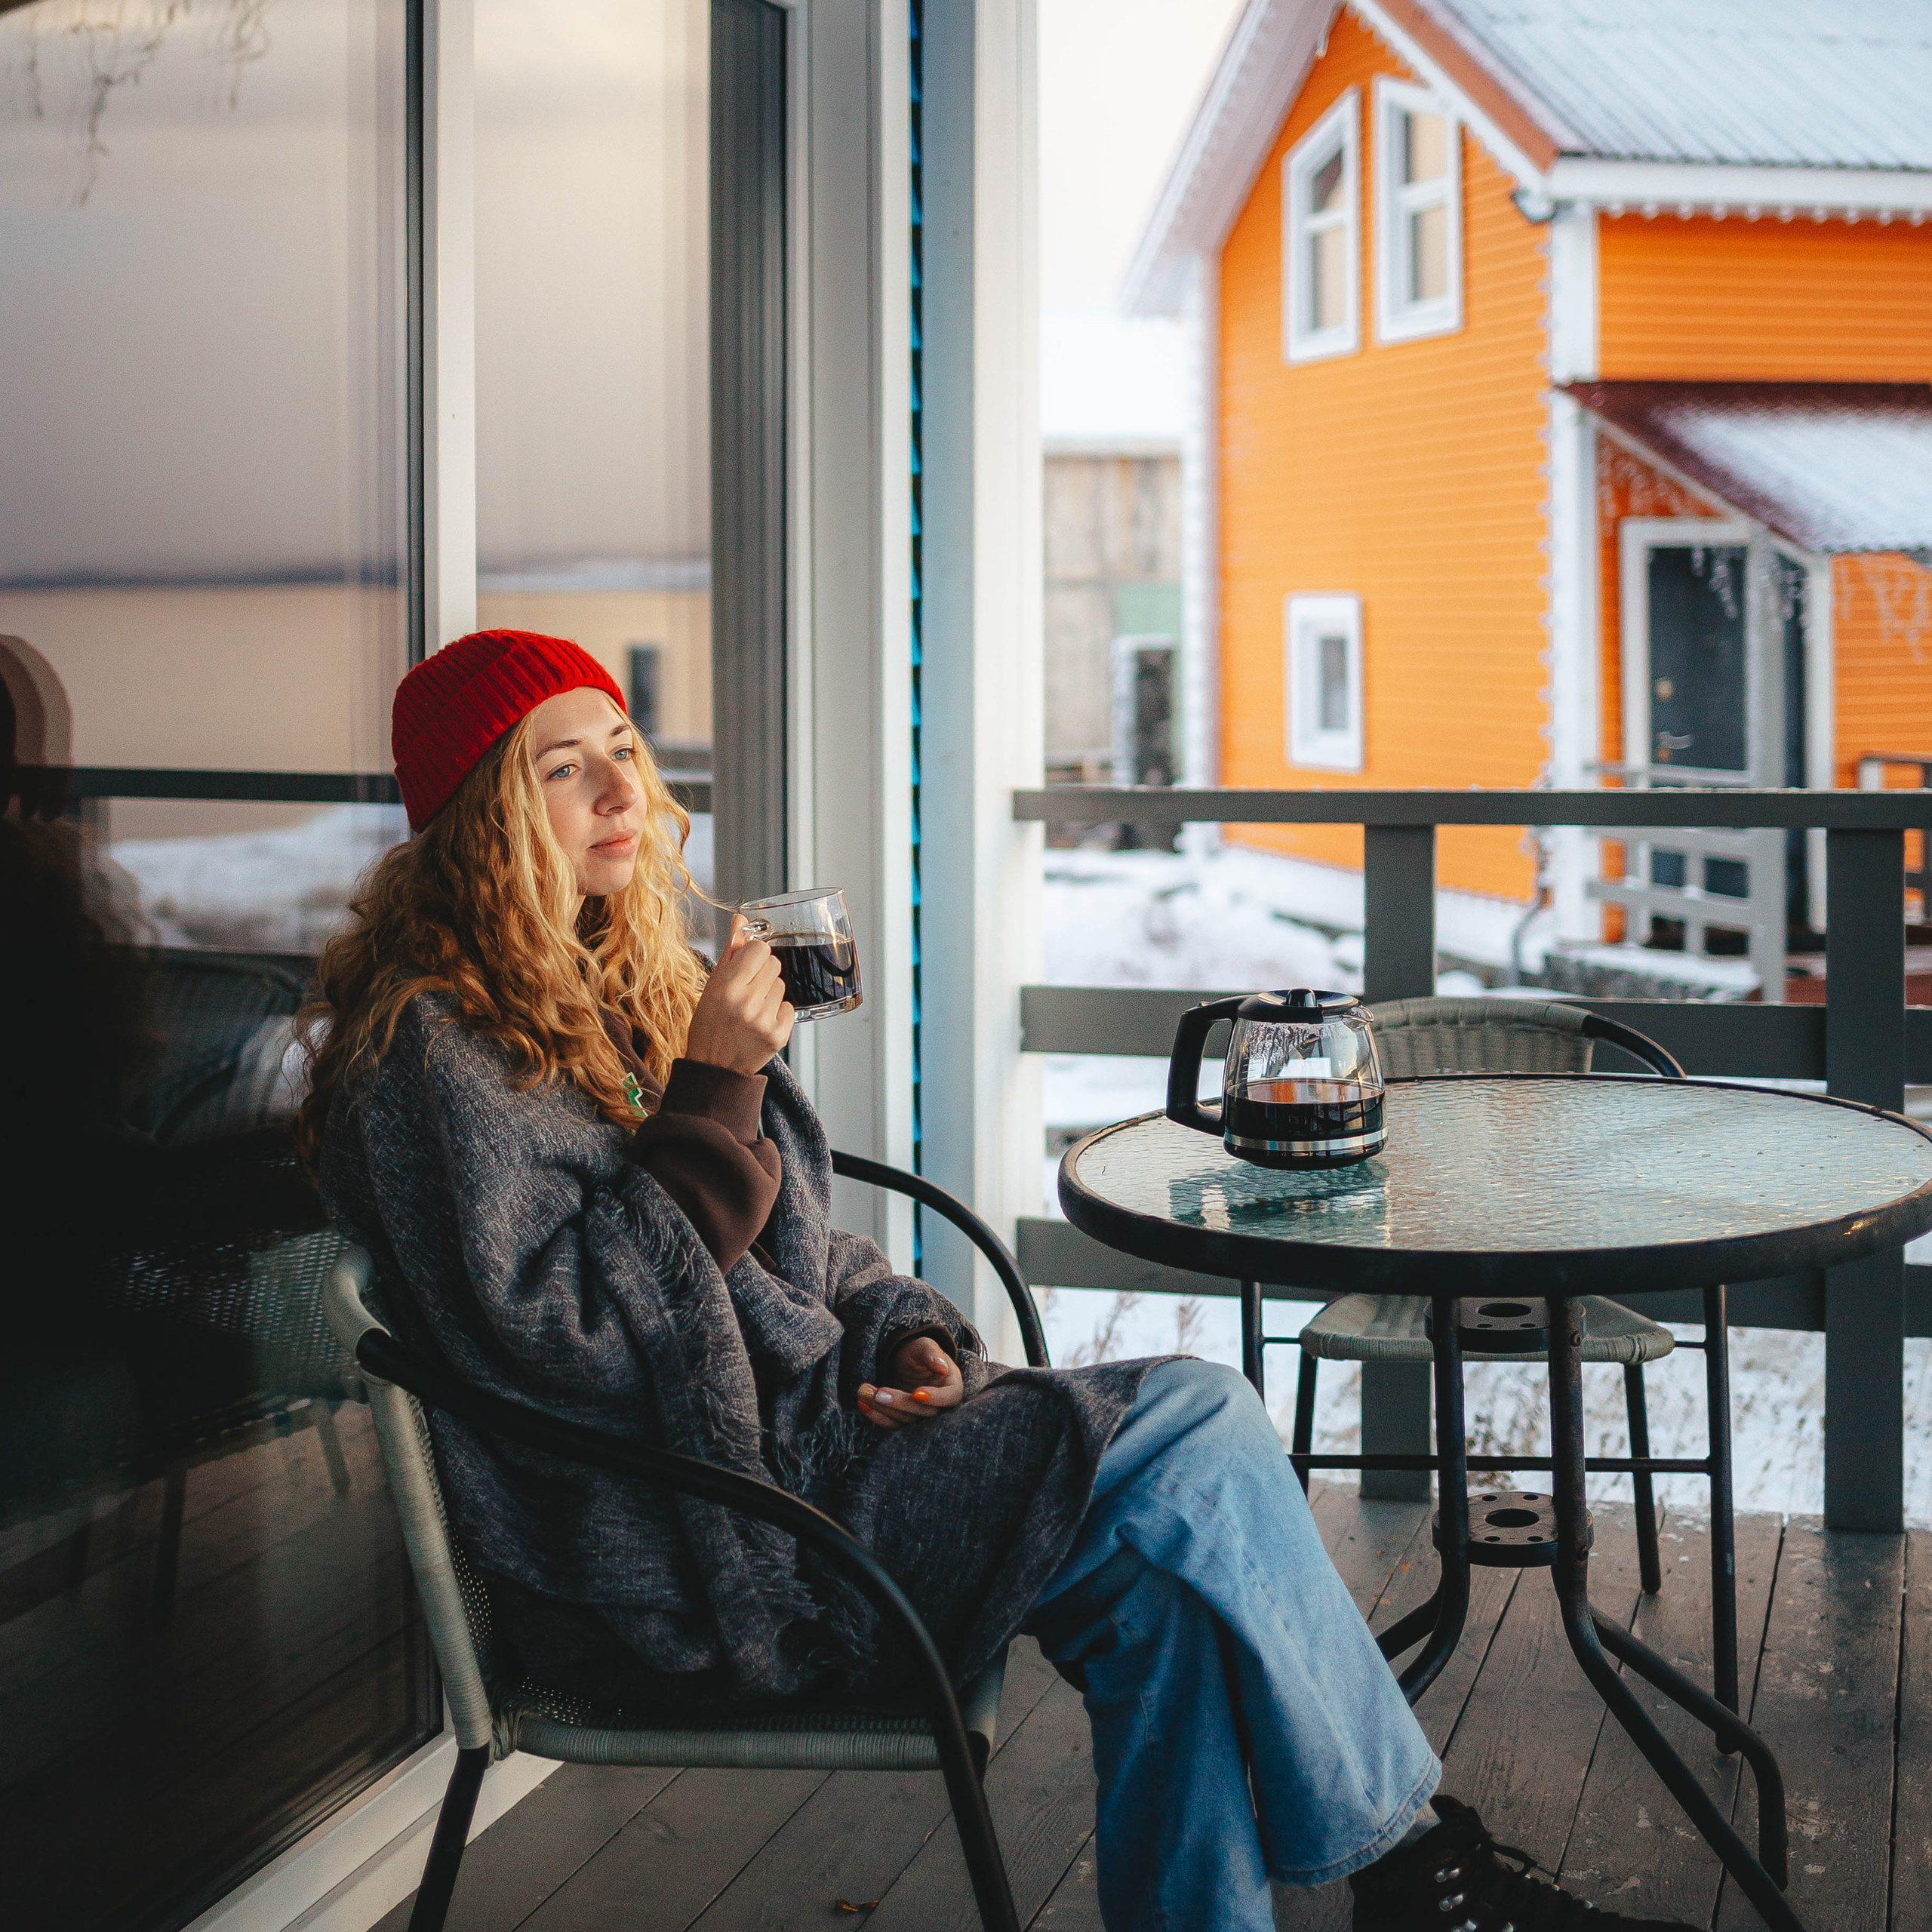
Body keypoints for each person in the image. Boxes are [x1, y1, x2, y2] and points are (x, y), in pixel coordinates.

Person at [301, 629, 1693, 1932]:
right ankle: (1416, 1869)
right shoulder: (436, 1051)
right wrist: (718, 1087)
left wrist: (907, 1331)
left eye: (622, 743)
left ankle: (1397, 1879)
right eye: (563, 765)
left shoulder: (618, 984)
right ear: (480, 816)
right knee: (1200, 1419)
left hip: (814, 1459)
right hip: (710, 1547)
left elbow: (801, 1250)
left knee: (1162, 1606)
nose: (621, 787)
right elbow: (576, 1334)